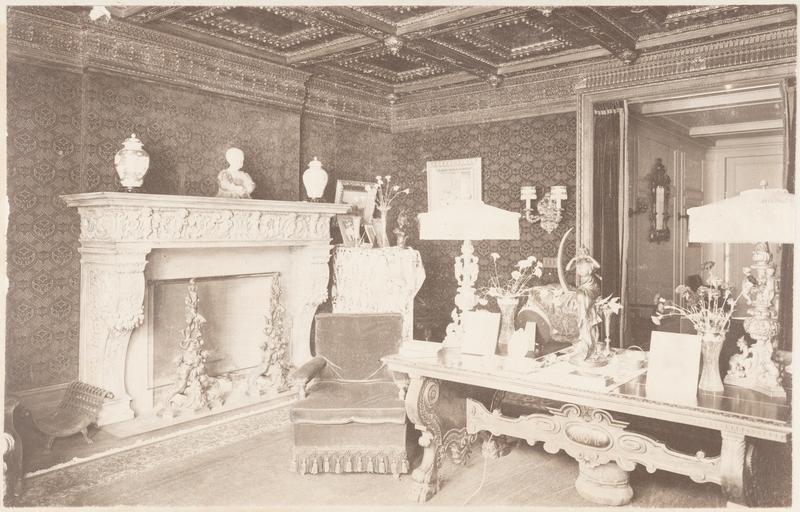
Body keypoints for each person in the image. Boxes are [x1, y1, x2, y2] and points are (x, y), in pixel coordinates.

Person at [567, 246, 602, 359]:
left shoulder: (590, 263)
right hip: (582, 287)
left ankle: (583, 316)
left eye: (583, 252)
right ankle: (583, 318)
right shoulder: (578, 264)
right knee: (579, 294)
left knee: (581, 295)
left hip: (592, 287)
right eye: (580, 252)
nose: (581, 254)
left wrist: (589, 258)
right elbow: (567, 268)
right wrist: (574, 259)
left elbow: (598, 266)